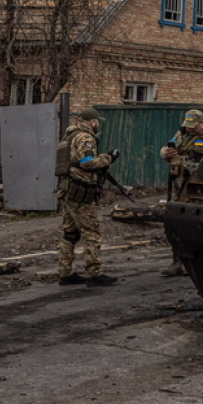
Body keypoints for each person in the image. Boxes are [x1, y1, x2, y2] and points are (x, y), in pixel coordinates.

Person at [159, 109, 203, 276]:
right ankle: (177, 262)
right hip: (181, 185)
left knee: (197, 224)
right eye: (187, 126)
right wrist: (166, 153)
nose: (189, 129)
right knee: (176, 222)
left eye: (193, 126)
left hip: (200, 188)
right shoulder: (181, 134)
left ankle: (201, 263)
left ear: (202, 123)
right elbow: (168, 146)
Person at [57, 107, 118, 287]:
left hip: (66, 190)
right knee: (91, 233)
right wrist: (109, 158)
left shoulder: (68, 137)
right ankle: (94, 273)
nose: (97, 124)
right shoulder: (85, 137)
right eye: (97, 122)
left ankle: (65, 272)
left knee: (70, 233)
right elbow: (88, 162)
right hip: (80, 193)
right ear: (92, 122)